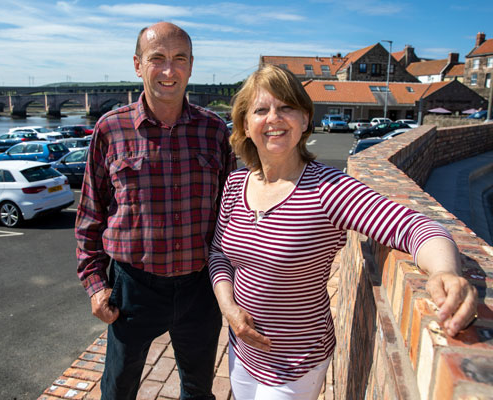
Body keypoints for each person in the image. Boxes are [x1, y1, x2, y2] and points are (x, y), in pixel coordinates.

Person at [208, 64, 478, 400]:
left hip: (296, 364)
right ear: (246, 126)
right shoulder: (235, 185)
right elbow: (219, 254)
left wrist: (446, 272)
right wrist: (228, 306)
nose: (274, 118)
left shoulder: (329, 189)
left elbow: (418, 227)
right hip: (243, 349)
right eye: (261, 110)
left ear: (305, 119)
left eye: (286, 107)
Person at [75, 22, 236, 400]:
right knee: (118, 389)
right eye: (157, 59)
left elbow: (231, 212)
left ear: (192, 66)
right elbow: (89, 215)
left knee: (198, 391)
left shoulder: (214, 129)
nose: (169, 70)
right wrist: (95, 285)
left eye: (179, 59)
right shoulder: (109, 129)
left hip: (200, 287)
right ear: (137, 65)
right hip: (133, 288)